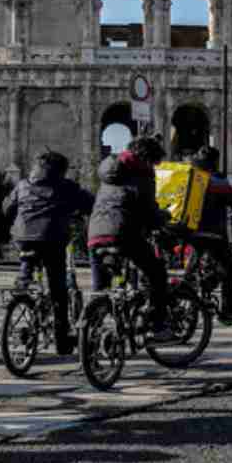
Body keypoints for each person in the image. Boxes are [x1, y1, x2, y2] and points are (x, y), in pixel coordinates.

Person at [3, 150, 94, 354]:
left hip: (23, 238)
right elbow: (90, 204)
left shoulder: (23, 184)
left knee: (28, 257)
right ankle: (62, 342)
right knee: (58, 292)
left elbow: (6, 208)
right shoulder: (66, 186)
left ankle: (24, 279)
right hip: (53, 240)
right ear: (61, 170)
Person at [87, 135, 175, 340]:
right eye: (154, 162)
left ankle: (90, 337)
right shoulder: (142, 173)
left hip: (95, 233)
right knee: (157, 273)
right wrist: (165, 218)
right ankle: (158, 325)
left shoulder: (110, 170)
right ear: (148, 158)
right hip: (123, 234)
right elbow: (149, 212)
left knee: (101, 290)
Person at [187, 147, 232, 319]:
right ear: (215, 161)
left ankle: (186, 295)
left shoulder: (191, 178)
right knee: (229, 269)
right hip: (213, 232)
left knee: (193, 266)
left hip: (191, 231)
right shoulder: (217, 181)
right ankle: (228, 310)